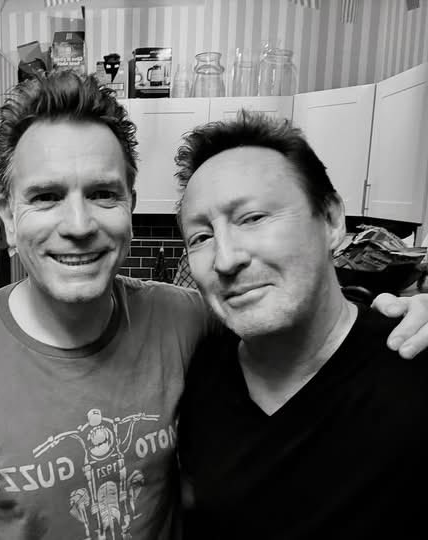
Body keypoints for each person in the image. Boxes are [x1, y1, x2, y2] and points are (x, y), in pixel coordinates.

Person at [0, 73, 428, 540]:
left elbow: (301, 312)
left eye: (103, 194)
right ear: (9, 218)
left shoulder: (190, 321)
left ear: (130, 208)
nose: (79, 225)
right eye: (46, 196)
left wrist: (403, 307)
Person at [176, 111, 428, 538]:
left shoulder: (413, 365)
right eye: (201, 237)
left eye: (253, 217)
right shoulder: (199, 373)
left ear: (330, 220)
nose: (225, 259)